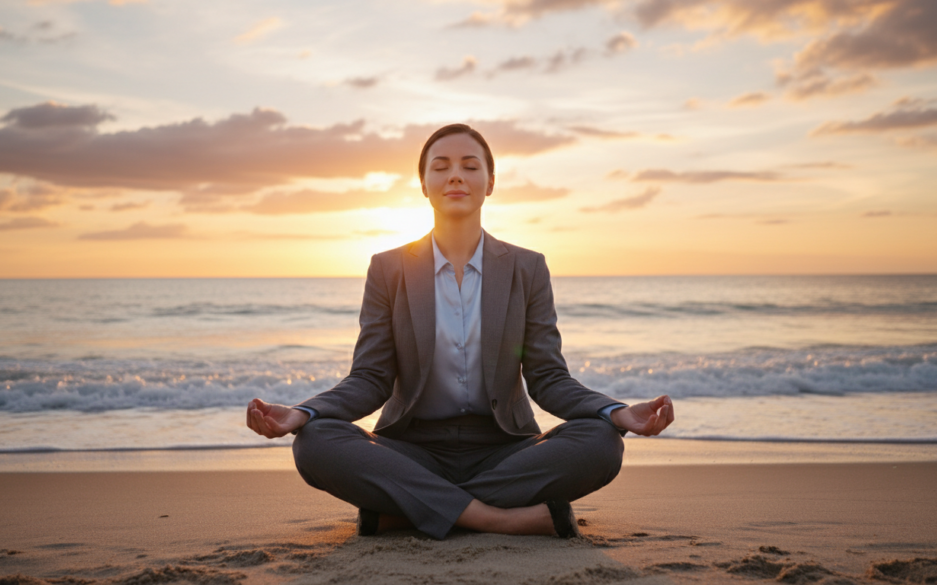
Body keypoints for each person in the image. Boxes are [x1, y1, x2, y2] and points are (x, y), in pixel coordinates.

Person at [246, 123, 674, 540]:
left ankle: (406, 514)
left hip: (505, 450)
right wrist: (302, 413)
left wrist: (616, 412)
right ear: (423, 183)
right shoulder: (388, 269)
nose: (455, 174)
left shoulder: (527, 268)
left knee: (601, 441)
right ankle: (499, 519)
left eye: (470, 166)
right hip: (410, 451)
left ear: (490, 183)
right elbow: (370, 378)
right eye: (441, 166)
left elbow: (547, 378)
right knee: (315, 441)